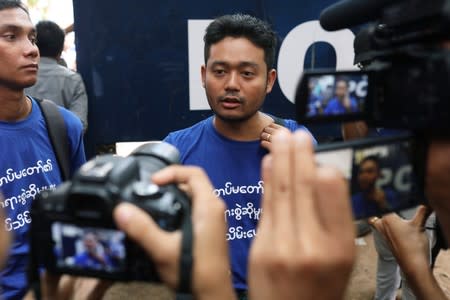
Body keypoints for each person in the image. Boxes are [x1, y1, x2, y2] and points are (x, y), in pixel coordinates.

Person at [162, 13, 314, 297]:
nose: (231, 84)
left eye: (246, 73)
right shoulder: (176, 149)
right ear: (203, 75)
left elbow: (321, 229)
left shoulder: (298, 142)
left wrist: (297, 163)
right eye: (220, 71)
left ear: (269, 81)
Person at [0, 1, 86, 298]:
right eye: (11, 36)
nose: (32, 49)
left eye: (32, 38)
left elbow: (80, 221)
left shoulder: (63, 126)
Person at [24, 20, 88, 132]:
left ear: (34, 46)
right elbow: (79, 125)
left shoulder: (17, 77)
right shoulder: (72, 79)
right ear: (60, 51)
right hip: (60, 147)